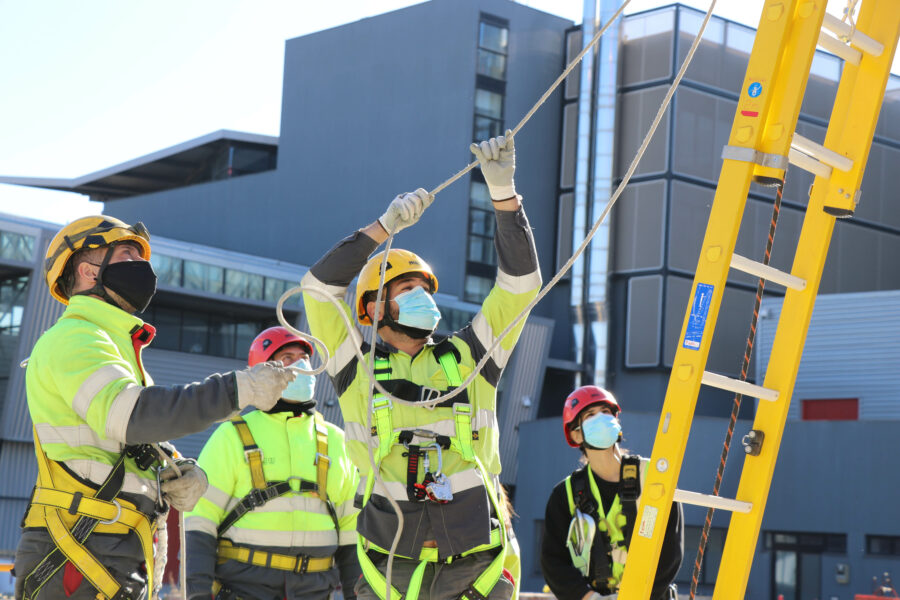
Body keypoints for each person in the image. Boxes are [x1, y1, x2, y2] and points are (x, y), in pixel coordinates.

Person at [301, 132, 540, 600]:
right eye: (406, 289)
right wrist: (382, 229)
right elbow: (317, 290)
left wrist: (504, 195)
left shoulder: (472, 357)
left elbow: (521, 286)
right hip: (389, 573)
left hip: (478, 569)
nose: (423, 298)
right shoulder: (356, 368)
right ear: (371, 310)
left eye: (425, 289)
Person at [15, 216, 297, 600]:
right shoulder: (75, 338)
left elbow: (127, 441)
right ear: (87, 270)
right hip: (79, 551)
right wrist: (237, 389)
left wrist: (177, 468)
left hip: (108, 545)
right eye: (128, 253)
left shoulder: (111, 344)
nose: (143, 267)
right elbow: (133, 416)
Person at [185, 326, 362, 600]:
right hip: (244, 591)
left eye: (304, 357)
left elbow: (352, 528)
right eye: (288, 358)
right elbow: (200, 520)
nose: (301, 365)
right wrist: (197, 593)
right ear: (263, 369)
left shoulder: (336, 441)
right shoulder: (232, 435)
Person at [540, 386, 684, 600]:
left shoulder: (653, 478)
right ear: (576, 434)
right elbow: (553, 562)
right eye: (590, 415)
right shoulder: (565, 495)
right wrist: (590, 598)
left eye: (606, 412)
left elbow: (670, 552)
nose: (601, 419)